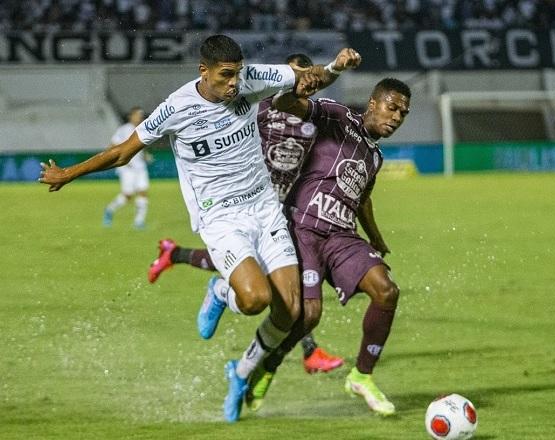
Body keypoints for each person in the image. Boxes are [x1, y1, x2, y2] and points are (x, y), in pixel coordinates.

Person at [39, 34, 361, 423]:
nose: (233, 83)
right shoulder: (176, 108)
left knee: (290, 310)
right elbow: (123, 152)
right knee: (255, 298)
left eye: (237, 74)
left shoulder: (251, 79)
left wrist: (333, 69)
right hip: (220, 217)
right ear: (203, 71)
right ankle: (222, 289)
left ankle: (240, 372)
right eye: (225, 75)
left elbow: (305, 80)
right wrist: (68, 173)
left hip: (265, 207)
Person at [148, 54, 344, 377]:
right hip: (241, 205)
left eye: (307, 81)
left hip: (278, 210)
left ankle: (177, 255)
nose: (302, 85)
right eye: (297, 77)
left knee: (281, 290)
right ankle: (305, 349)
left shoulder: (313, 122)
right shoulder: (261, 106)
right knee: (257, 284)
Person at [243, 77, 411, 417]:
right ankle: (268, 365)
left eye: (403, 113)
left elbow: (362, 199)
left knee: (387, 291)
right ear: (374, 102)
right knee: (309, 315)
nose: (396, 117)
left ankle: (362, 376)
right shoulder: (337, 116)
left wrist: (375, 237)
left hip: (341, 235)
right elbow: (288, 104)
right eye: (392, 107)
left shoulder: (374, 157)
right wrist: (304, 82)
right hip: (302, 227)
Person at [102, 106, 150, 229]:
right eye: (137, 115)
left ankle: (139, 222)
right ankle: (109, 210)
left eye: (141, 115)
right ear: (131, 116)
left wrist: (145, 156)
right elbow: (112, 145)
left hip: (140, 167)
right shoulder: (124, 130)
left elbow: (140, 148)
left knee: (143, 192)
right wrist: (120, 160)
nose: (139, 117)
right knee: (127, 196)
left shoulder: (143, 129)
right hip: (128, 168)